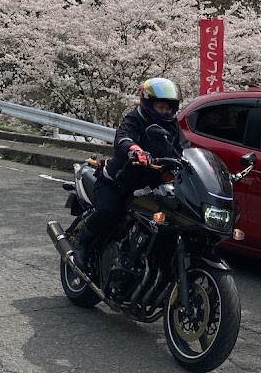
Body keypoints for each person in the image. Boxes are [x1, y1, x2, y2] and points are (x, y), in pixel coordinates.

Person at [72, 77, 183, 271]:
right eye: (160, 107)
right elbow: (123, 137)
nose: (165, 112)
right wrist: (135, 150)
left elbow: (184, 148)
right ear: (148, 103)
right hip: (117, 183)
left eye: (169, 108)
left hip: (148, 186)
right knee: (109, 211)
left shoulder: (173, 127)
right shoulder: (134, 119)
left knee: (167, 219)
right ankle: (83, 244)